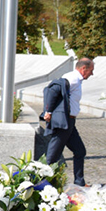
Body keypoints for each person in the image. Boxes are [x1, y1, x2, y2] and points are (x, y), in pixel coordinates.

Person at [43, 57, 94, 186]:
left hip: (70, 123)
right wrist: (47, 111)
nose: (92, 74)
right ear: (84, 69)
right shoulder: (72, 79)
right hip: (63, 123)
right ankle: (39, 182)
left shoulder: (76, 79)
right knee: (52, 156)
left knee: (80, 151)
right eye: (91, 70)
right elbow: (52, 90)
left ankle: (79, 182)